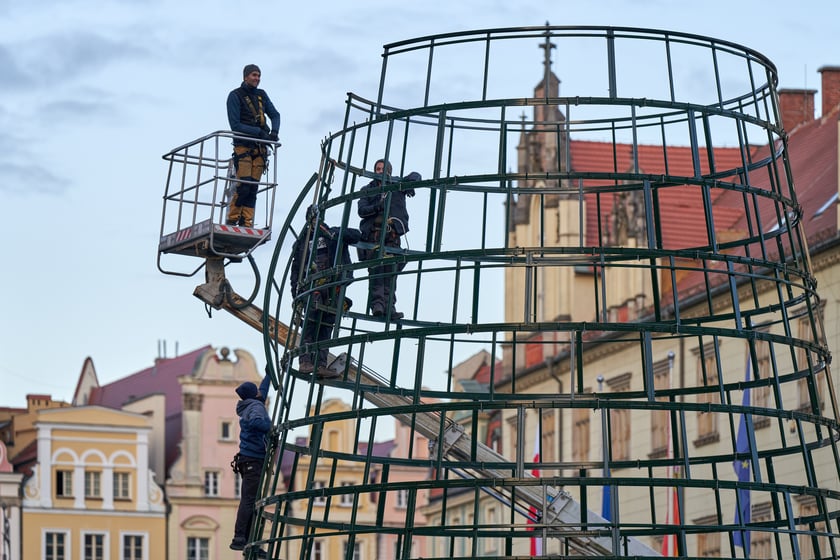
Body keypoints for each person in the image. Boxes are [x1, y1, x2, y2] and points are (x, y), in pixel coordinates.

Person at [290, 204, 362, 379]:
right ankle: (305, 362)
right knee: (311, 324)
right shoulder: (302, 244)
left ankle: (320, 364)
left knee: (327, 325)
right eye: (312, 219)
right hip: (313, 288)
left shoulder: (333, 234)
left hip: (333, 287)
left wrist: (332, 233)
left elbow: (356, 235)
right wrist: (296, 297)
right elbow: (296, 271)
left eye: (317, 218)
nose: (314, 222)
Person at [357, 159, 421, 320]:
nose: (379, 171)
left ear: (389, 171)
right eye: (377, 168)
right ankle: (378, 305)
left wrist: (411, 184)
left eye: (383, 169)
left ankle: (390, 308)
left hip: (392, 237)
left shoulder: (397, 186)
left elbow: (416, 175)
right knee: (377, 271)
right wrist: (378, 207)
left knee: (391, 273)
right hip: (374, 236)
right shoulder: (368, 189)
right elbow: (362, 210)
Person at [226, 63, 281, 228]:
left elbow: (275, 115)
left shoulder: (261, 95)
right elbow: (235, 125)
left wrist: (274, 133)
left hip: (260, 149)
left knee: (253, 187)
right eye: (254, 75)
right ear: (245, 76)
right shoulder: (235, 96)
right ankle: (232, 219)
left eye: (258, 75)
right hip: (243, 147)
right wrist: (259, 132)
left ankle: (246, 221)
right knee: (244, 184)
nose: (257, 78)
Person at [230, 373, 272, 557]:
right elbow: (256, 422)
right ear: (253, 394)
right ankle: (240, 538)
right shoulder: (256, 407)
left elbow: (262, 390)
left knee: (252, 501)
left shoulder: (249, 403)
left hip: (247, 459)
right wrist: (270, 428)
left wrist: (269, 374)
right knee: (249, 500)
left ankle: (250, 542)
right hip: (253, 459)